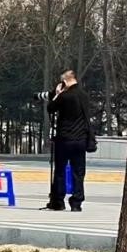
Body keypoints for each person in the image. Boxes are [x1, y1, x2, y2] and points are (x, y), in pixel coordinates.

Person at [44, 69, 92, 212]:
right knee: (79, 171)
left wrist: (57, 94)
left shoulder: (64, 96)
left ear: (65, 82)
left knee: (60, 170)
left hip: (64, 138)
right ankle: (77, 202)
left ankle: (58, 201)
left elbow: (50, 108)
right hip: (80, 139)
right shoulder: (84, 95)